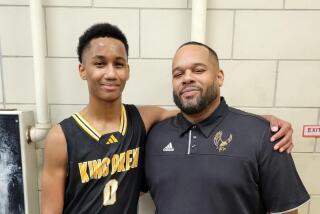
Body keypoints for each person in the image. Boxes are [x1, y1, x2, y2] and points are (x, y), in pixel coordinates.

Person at [41, 23, 294, 213]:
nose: (110, 73)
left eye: (118, 64)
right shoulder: (61, 137)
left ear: (128, 70)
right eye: (99, 63)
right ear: (82, 70)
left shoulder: (143, 118)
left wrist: (260, 123)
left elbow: (198, 110)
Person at [144, 41, 310, 214]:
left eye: (198, 70)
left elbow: (286, 212)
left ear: (219, 77)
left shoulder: (264, 135)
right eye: (178, 74)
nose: (187, 78)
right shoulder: (155, 136)